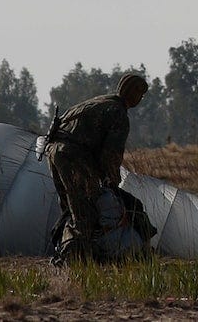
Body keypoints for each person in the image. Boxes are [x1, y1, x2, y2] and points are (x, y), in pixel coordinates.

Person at [46, 73, 148, 261]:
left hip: (54, 152)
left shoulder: (100, 102)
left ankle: (70, 252)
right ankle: (76, 260)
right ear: (130, 93)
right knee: (85, 211)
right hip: (73, 156)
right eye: (138, 94)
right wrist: (112, 184)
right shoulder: (118, 113)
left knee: (71, 209)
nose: (139, 99)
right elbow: (111, 155)